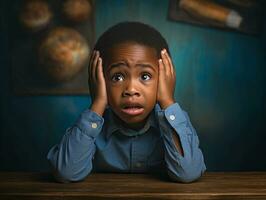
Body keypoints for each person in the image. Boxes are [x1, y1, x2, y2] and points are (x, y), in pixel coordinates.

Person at [47, 21, 206, 183]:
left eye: (145, 76)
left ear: (164, 80)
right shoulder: (92, 128)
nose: (131, 89)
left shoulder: (173, 123)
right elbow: (66, 172)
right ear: (100, 80)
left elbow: (188, 172)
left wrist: (167, 101)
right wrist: (98, 103)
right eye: (117, 77)